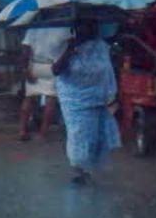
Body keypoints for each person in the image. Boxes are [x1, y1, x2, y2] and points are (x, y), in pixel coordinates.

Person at [52, 17, 121, 185]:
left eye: (91, 27)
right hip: (75, 98)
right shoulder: (66, 46)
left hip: (97, 97)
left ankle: (91, 167)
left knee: (96, 136)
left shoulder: (101, 46)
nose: (89, 31)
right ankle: (79, 168)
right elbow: (56, 70)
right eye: (84, 27)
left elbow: (109, 69)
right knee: (79, 134)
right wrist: (70, 50)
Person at [18, 24, 69, 141]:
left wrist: (25, 69)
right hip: (52, 66)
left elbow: (25, 50)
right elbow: (69, 48)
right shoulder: (65, 27)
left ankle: (22, 130)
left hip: (35, 64)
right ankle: (43, 133)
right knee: (50, 99)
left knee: (29, 97)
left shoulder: (33, 28)